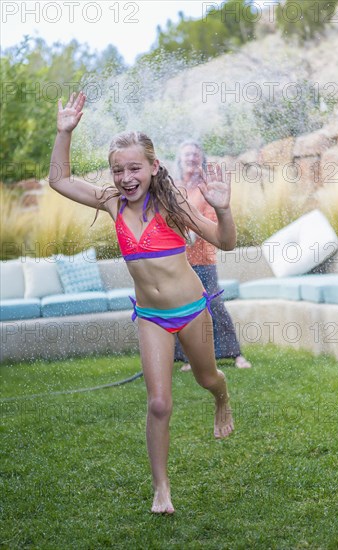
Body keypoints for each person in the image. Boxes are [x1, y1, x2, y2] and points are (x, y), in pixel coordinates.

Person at [49, 92, 236, 515]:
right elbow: (59, 180)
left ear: (153, 167)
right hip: (151, 317)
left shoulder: (173, 207)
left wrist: (223, 211)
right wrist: (64, 133)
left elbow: (224, 241)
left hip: (192, 312)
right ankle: (162, 489)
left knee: (207, 379)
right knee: (158, 403)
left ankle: (222, 398)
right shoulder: (112, 202)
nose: (126, 177)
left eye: (135, 168)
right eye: (118, 170)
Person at [174, 141, 252, 371]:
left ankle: (234, 354)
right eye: (187, 155)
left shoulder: (205, 185)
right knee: (185, 307)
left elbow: (212, 217)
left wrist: (194, 234)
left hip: (203, 256)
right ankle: (189, 357)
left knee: (213, 303)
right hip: (179, 258)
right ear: (180, 159)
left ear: (201, 160)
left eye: (195, 155)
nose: (191, 159)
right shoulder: (175, 186)